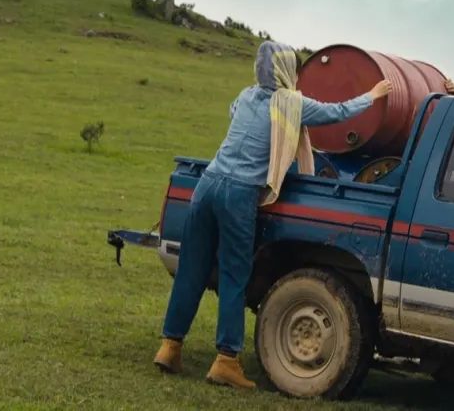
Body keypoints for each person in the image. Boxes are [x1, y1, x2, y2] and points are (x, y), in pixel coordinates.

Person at [152, 41, 393, 389]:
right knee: (235, 275)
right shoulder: (292, 104)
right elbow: (337, 113)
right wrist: (373, 94)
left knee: (192, 267)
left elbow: (234, 113)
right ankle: (226, 361)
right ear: (286, 71)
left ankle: (170, 347)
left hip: (207, 185)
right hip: (238, 193)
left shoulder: (246, 95)